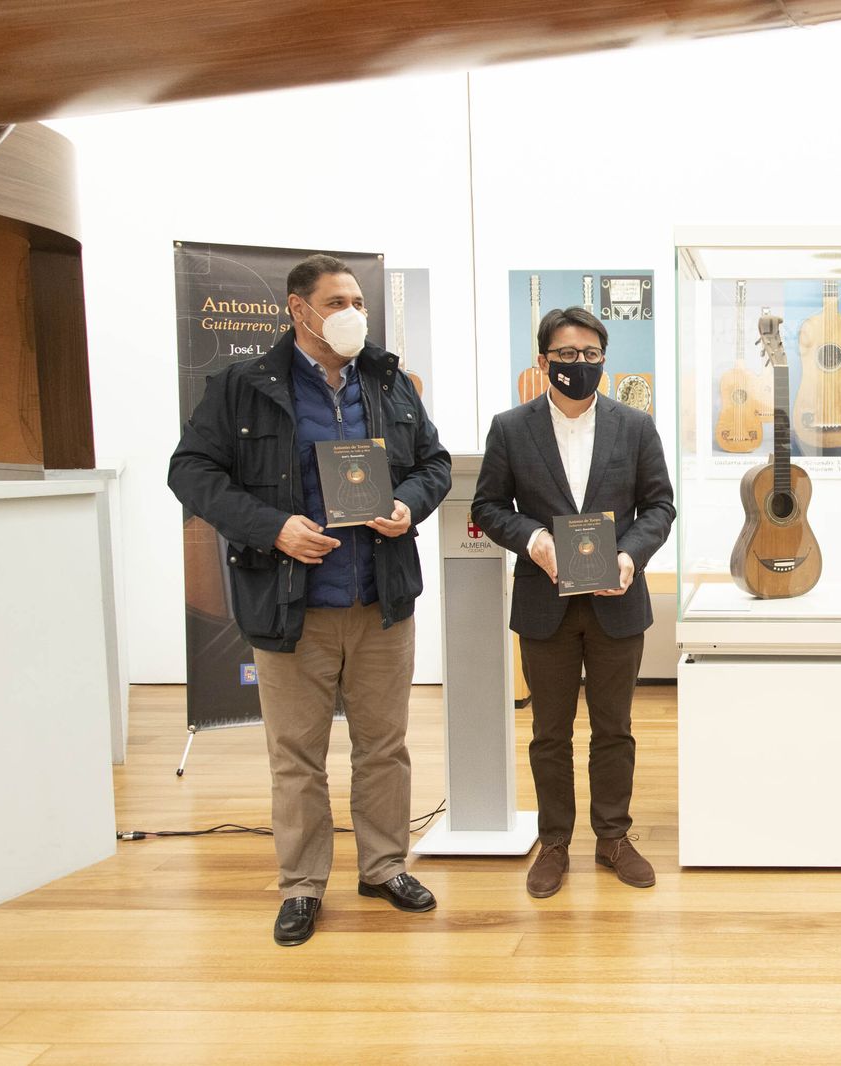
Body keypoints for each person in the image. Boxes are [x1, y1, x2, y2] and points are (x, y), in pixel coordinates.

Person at [168, 253, 451, 946]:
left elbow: (433, 464)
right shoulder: (243, 386)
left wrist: (406, 506)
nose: (355, 312)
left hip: (380, 598)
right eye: (338, 301)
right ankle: (301, 885)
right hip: (291, 606)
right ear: (299, 310)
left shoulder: (388, 381)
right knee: (296, 756)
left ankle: (383, 866)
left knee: (385, 747)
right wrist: (273, 529)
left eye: (359, 299)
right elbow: (191, 471)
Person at [471, 306, 675, 899]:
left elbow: (659, 507)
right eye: (566, 356)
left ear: (603, 362)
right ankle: (555, 842)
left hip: (616, 600)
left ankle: (612, 836)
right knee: (549, 732)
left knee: (615, 728)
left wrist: (629, 556)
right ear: (543, 362)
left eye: (590, 356)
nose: (579, 365)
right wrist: (535, 541)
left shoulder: (635, 427)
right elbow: (487, 507)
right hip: (545, 602)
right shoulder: (511, 428)